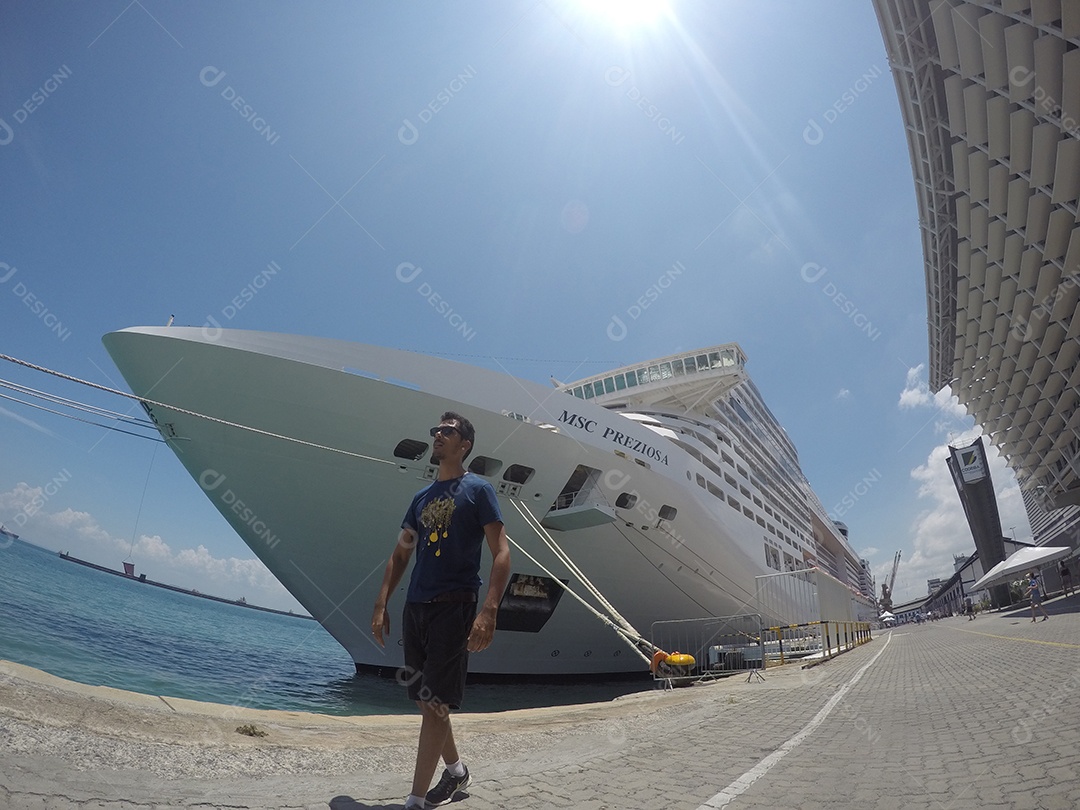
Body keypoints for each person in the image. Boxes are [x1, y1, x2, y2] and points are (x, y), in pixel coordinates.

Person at [371, 411, 511, 810]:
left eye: (448, 431)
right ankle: (456, 771)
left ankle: (415, 801)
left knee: (435, 705)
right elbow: (401, 553)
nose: (438, 434)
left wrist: (489, 611)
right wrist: (381, 603)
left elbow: (501, 552)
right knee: (425, 701)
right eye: (437, 429)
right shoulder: (421, 498)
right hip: (416, 607)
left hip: (455, 607)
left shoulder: (479, 490)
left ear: (464, 444)